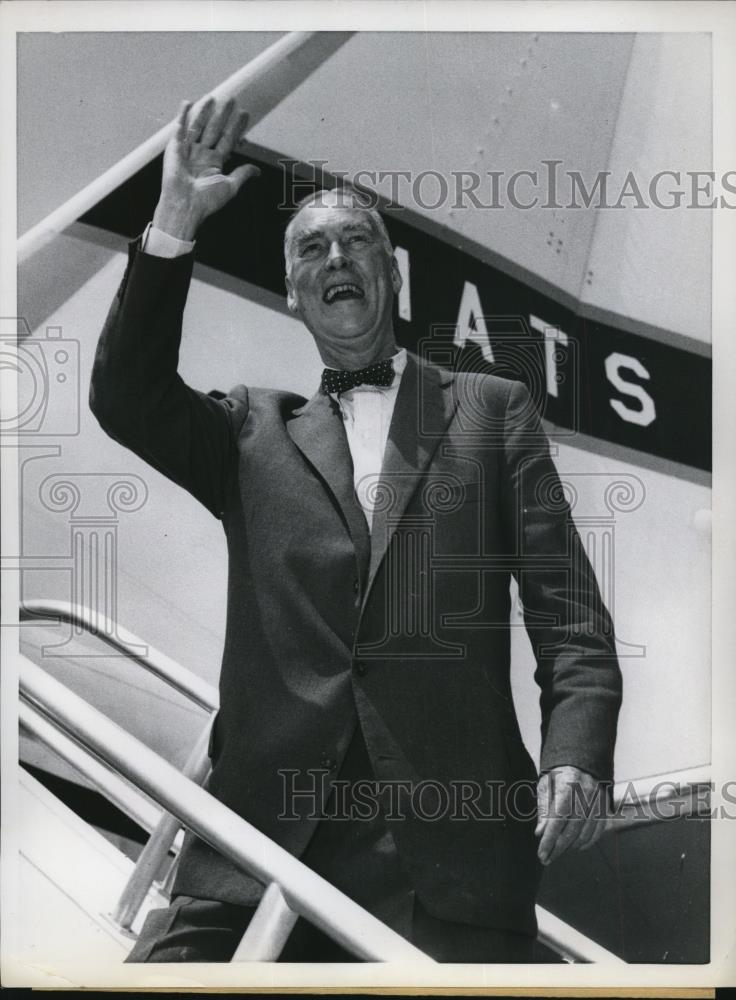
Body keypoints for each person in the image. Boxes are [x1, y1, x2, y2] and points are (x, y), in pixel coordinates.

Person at [90, 95, 623, 963]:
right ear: (295, 291)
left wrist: (578, 753)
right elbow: (124, 396)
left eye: (358, 240)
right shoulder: (249, 433)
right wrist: (174, 220)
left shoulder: (491, 412)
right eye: (311, 249)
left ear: (393, 273)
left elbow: (571, 621)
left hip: (447, 870)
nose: (336, 257)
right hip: (255, 855)